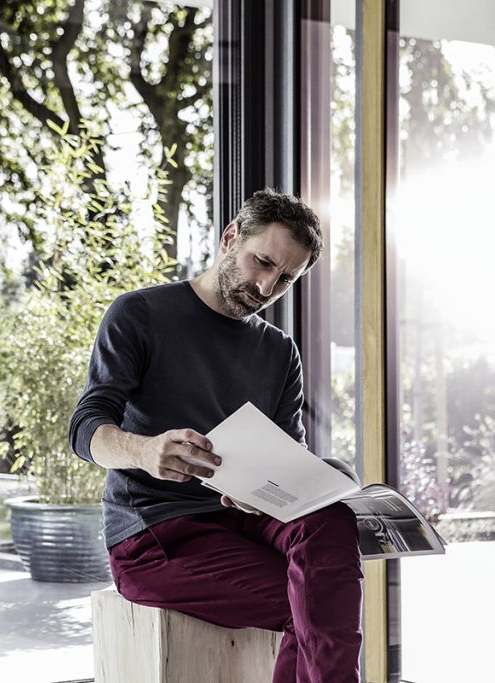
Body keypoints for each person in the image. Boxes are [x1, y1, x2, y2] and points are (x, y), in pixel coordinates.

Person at [68, 188, 362, 683]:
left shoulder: (279, 352)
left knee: (330, 517)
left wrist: (308, 480)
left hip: (243, 523)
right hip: (157, 535)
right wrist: (143, 450)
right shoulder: (139, 315)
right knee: (314, 602)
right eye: (262, 262)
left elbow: (287, 457)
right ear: (230, 238)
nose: (267, 286)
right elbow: (85, 428)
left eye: (285, 278)